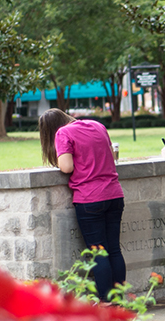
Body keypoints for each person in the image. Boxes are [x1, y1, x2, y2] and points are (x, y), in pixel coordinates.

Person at [38, 108, 126, 301]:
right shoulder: (97, 125)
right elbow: (111, 156)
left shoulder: (63, 133)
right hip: (114, 194)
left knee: (98, 252)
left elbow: (66, 166)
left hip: (90, 199)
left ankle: (106, 302)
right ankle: (120, 300)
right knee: (114, 250)